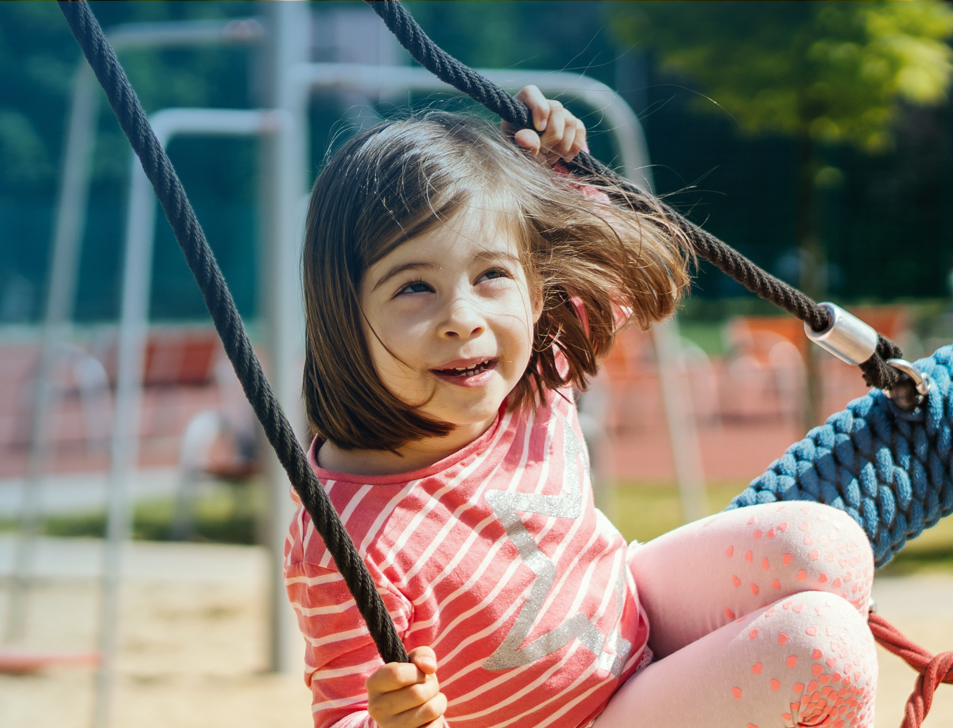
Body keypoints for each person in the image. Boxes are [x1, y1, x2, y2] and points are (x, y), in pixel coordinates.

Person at [286, 87, 878, 728]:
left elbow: (614, 278)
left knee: (826, 544)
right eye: (413, 287)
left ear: (536, 290)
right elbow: (344, 710)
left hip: (636, 623)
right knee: (819, 645)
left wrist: (568, 173)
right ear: (344, 313)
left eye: (491, 275)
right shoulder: (343, 534)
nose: (463, 319)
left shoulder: (530, 378)